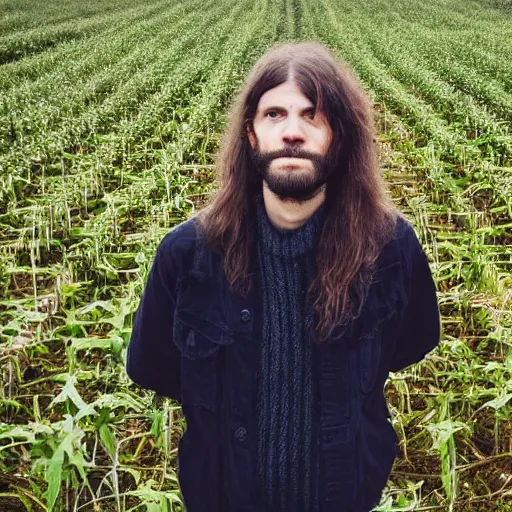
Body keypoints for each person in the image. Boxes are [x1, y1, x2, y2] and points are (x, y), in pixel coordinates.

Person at [126, 41, 441, 512]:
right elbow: (153, 366)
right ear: (251, 135)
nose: (293, 132)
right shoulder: (187, 255)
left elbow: (410, 342)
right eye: (274, 114)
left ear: (340, 134)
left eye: (313, 115)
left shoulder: (391, 249)